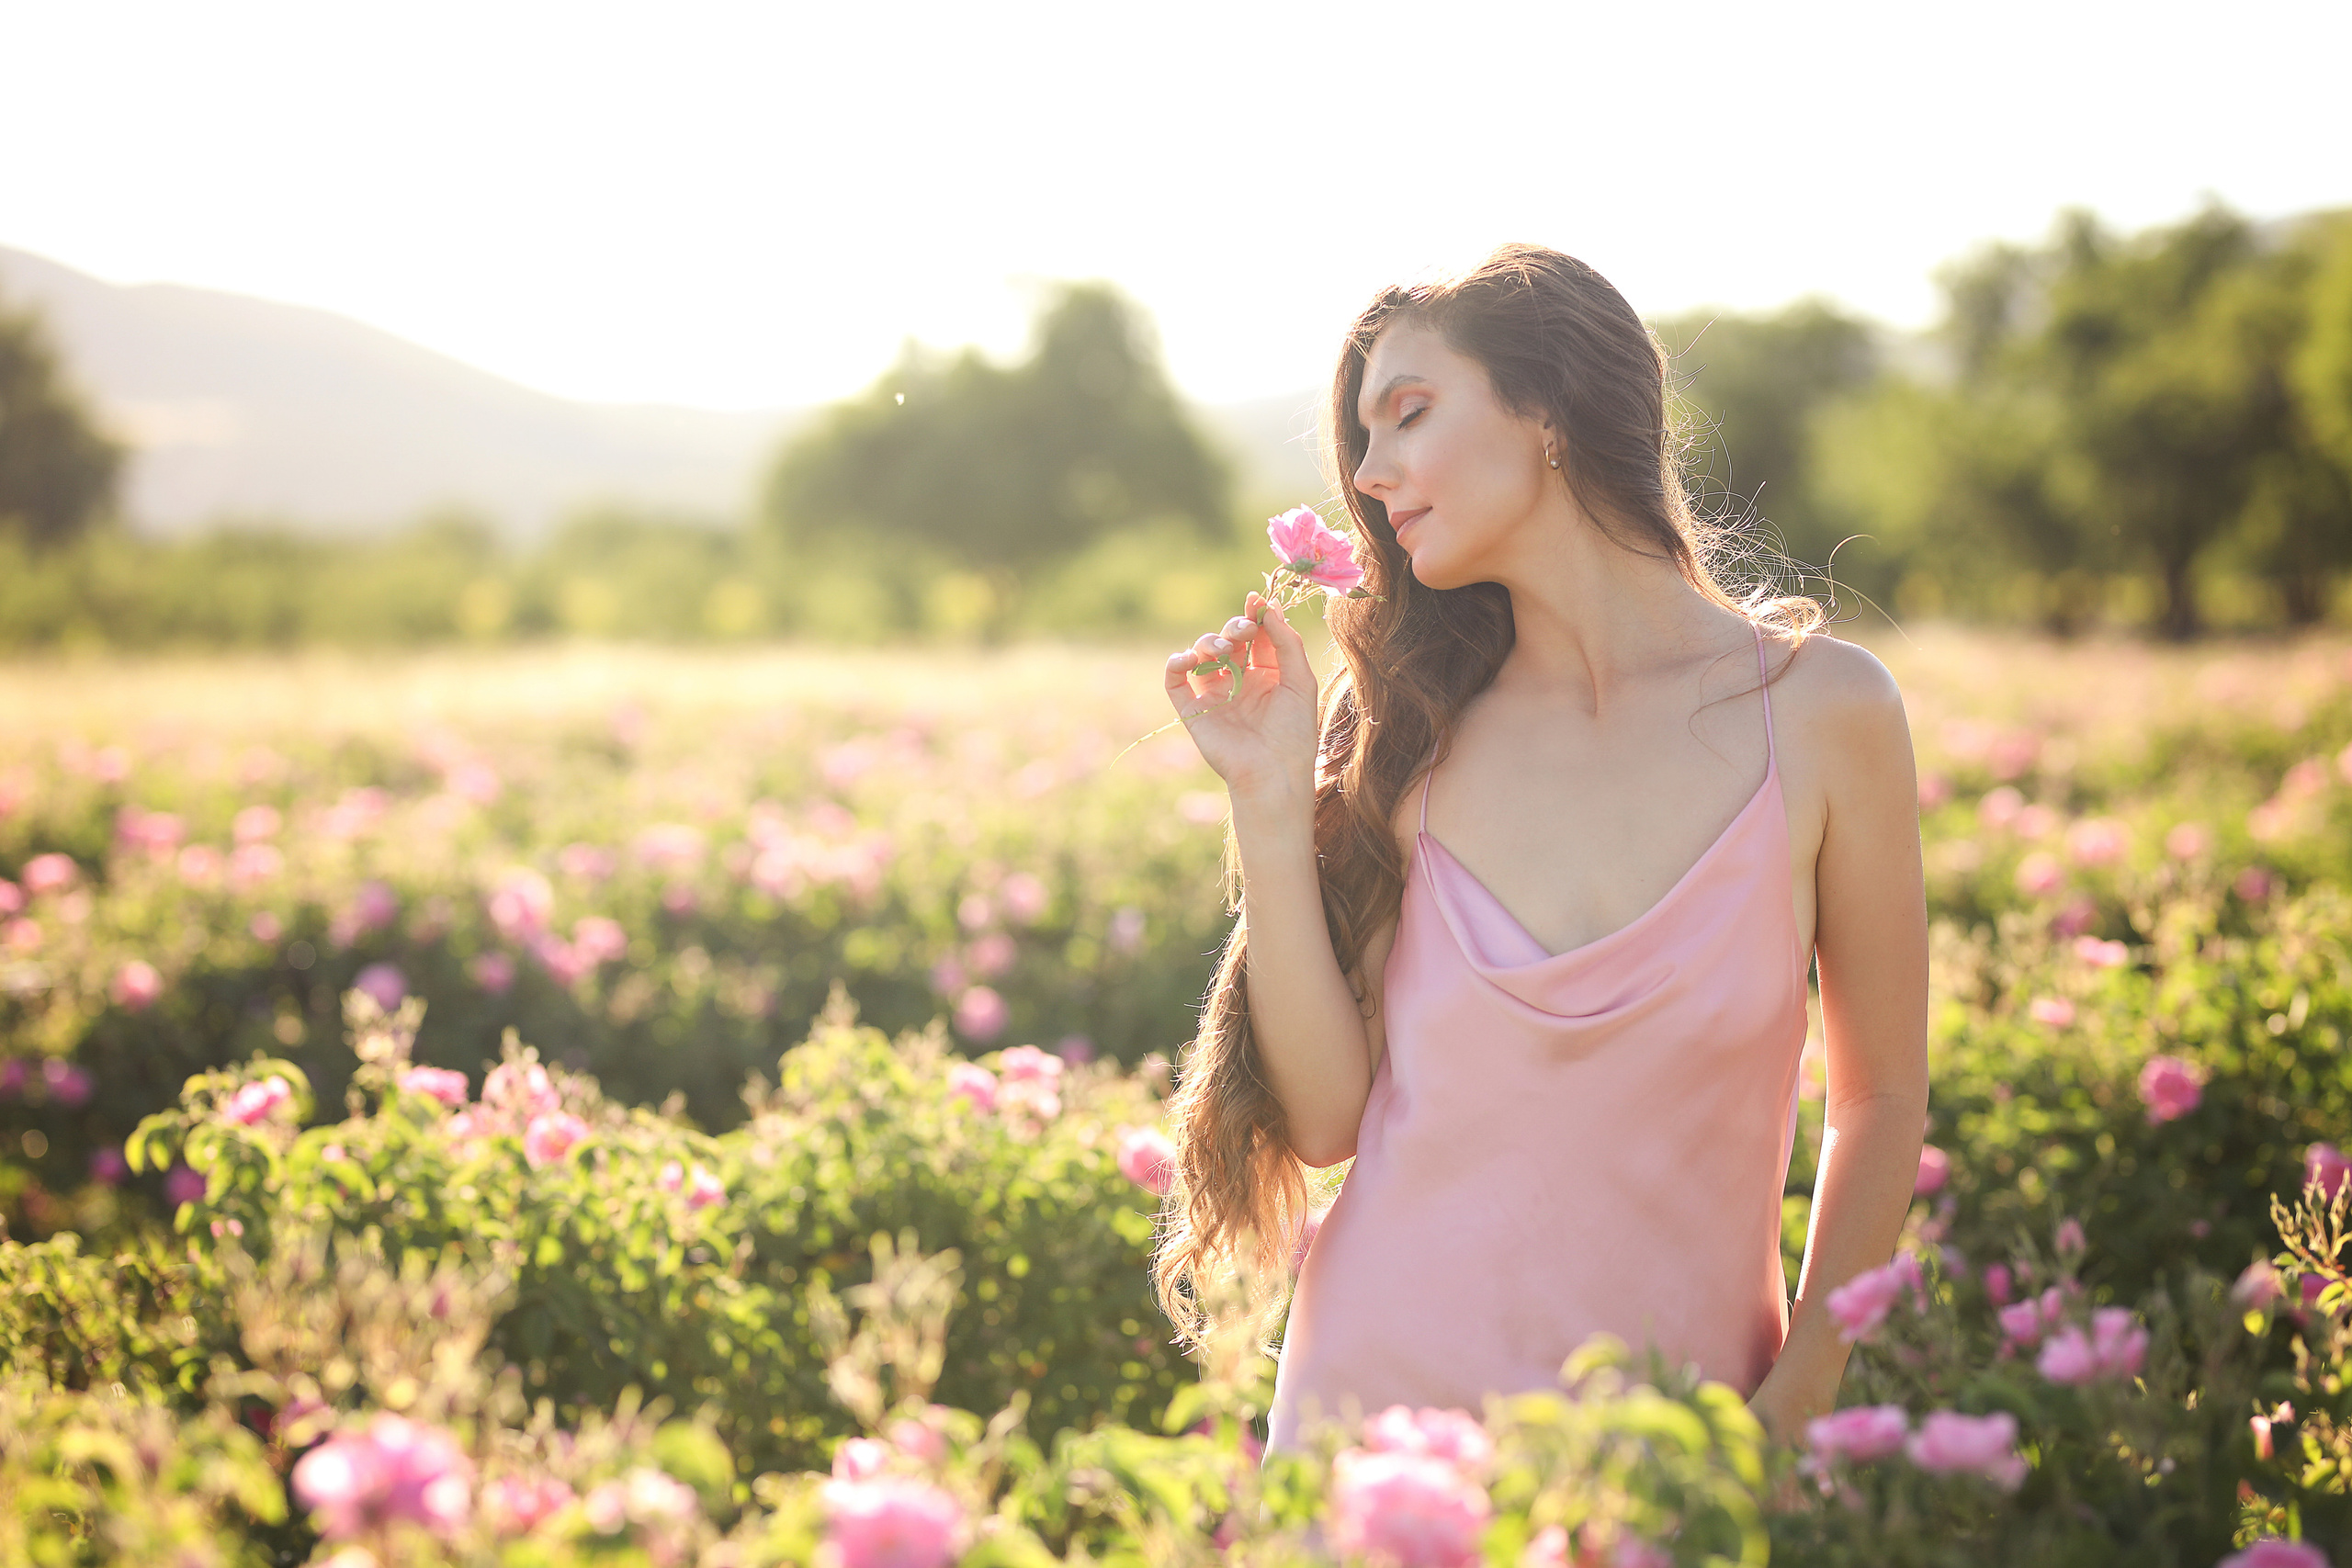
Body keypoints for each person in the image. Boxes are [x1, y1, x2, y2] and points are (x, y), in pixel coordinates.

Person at [1152, 243, 1928, 1452]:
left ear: (1551, 410)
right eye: (1363, 434)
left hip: (1681, 1448)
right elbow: (1323, 1121)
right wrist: (1267, 801)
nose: (1368, 470)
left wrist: (1806, 1390)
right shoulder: (1409, 729)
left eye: (1410, 413)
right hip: (1380, 1439)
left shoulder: (1826, 714)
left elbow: (1878, 1097)